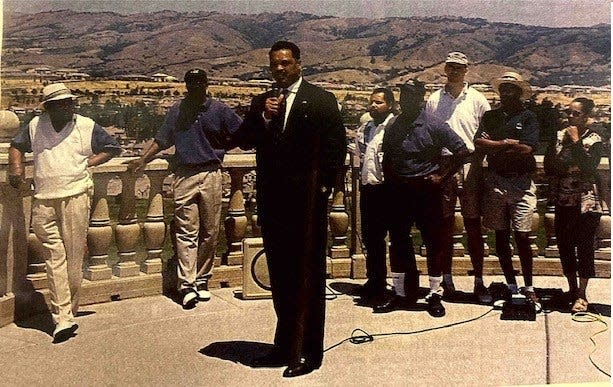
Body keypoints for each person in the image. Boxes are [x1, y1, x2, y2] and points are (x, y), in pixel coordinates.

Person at [237, 41, 346, 377]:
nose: (280, 69)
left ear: (299, 63)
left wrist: (323, 192)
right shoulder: (261, 102)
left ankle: (309, 351)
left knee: (308, 278)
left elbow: (336, 150)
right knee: (281, 277)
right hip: (273, 204)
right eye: (274, 65)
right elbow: (244, 140)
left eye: (285, 63)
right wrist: (262, 117)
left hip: (307, 205)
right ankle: (283, 347)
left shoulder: (321, 100)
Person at [8, 83, 121, 342]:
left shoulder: (85, 125)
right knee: (53, 257)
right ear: (48, 107)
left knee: (72, 260)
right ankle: (63, 318)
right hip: (44, 200)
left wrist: (87, 163)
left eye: (70, 102)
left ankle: (69, 310)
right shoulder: (36, 125)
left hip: (76, 196)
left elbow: (113, 148)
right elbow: (16, 146)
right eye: (61, 103)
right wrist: (16, 169)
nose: (68, 106)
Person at [128, 69, 242, 309]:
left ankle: (202, 279)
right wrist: (142, 159)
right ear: (186, 85)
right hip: (185, 174)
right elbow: (162, 138)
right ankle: (187, 284)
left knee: (210, 232)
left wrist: (220, 148)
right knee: (185, 231)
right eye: (190, 83)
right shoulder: (178, 111)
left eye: (199, 82)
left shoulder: (220, 110)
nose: (194, 87)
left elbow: (241, 134)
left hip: (211, 173)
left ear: (206, 84)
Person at [375, 81, 469, 318]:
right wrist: (390, 182)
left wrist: (442, 176)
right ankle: (399, 293)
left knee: (433, 243)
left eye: (411, 98)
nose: (405, 102)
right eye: (403, 97)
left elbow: (463, 151)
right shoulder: (394, 124)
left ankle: (434, 294)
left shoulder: (435, 125)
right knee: (397, 242)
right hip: (399, 191)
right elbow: (387, 155)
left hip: (427, 193)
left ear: (420, 100)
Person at [425, 52, 492, 303]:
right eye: (450, 67)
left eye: (458, 68)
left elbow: (486, 130)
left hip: (469, 165)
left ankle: (478, 281)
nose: (454, 71)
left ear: (466, 70)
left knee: (473, 224)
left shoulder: (477, 99)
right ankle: (447, 280)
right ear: (445, 69)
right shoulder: (434, 99)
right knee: (444, 224)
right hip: (443, 164)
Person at [474, 71, 541, 312]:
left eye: (511, 89)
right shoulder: (491, 117)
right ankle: (512, 285)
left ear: (520, 92)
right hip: (496, 181)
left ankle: (529, 286)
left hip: (521, 183)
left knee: (522, 236)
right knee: (501, 236)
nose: (506, 93)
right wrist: (505, 143)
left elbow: (527, 148)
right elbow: (479, 143)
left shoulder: (529, 117)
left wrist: (497, 146)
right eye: (503, 89)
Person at [545, 97, 604, 314]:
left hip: (586, 202)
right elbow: (552, 166)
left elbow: (590, 168)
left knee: (585, 246)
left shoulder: (595, 139)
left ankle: (582, 293)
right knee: (565, 244)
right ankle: (571, 288)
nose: (570, 117)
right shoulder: (559, 137)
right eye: (568, 112)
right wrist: (569, 157)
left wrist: (577, 143)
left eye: (575, 113)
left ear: (586, 116)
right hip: (564, 199)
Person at [352, 87, 396, 301]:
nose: (373, 106)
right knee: (371, 237)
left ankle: (398, 283)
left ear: (389, 105)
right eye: (372, 102)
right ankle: (375, 280)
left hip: (388, 188)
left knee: (394, 237)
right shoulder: (366, 127)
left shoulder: (394, 127)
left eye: (378, 102)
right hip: (368, 186)